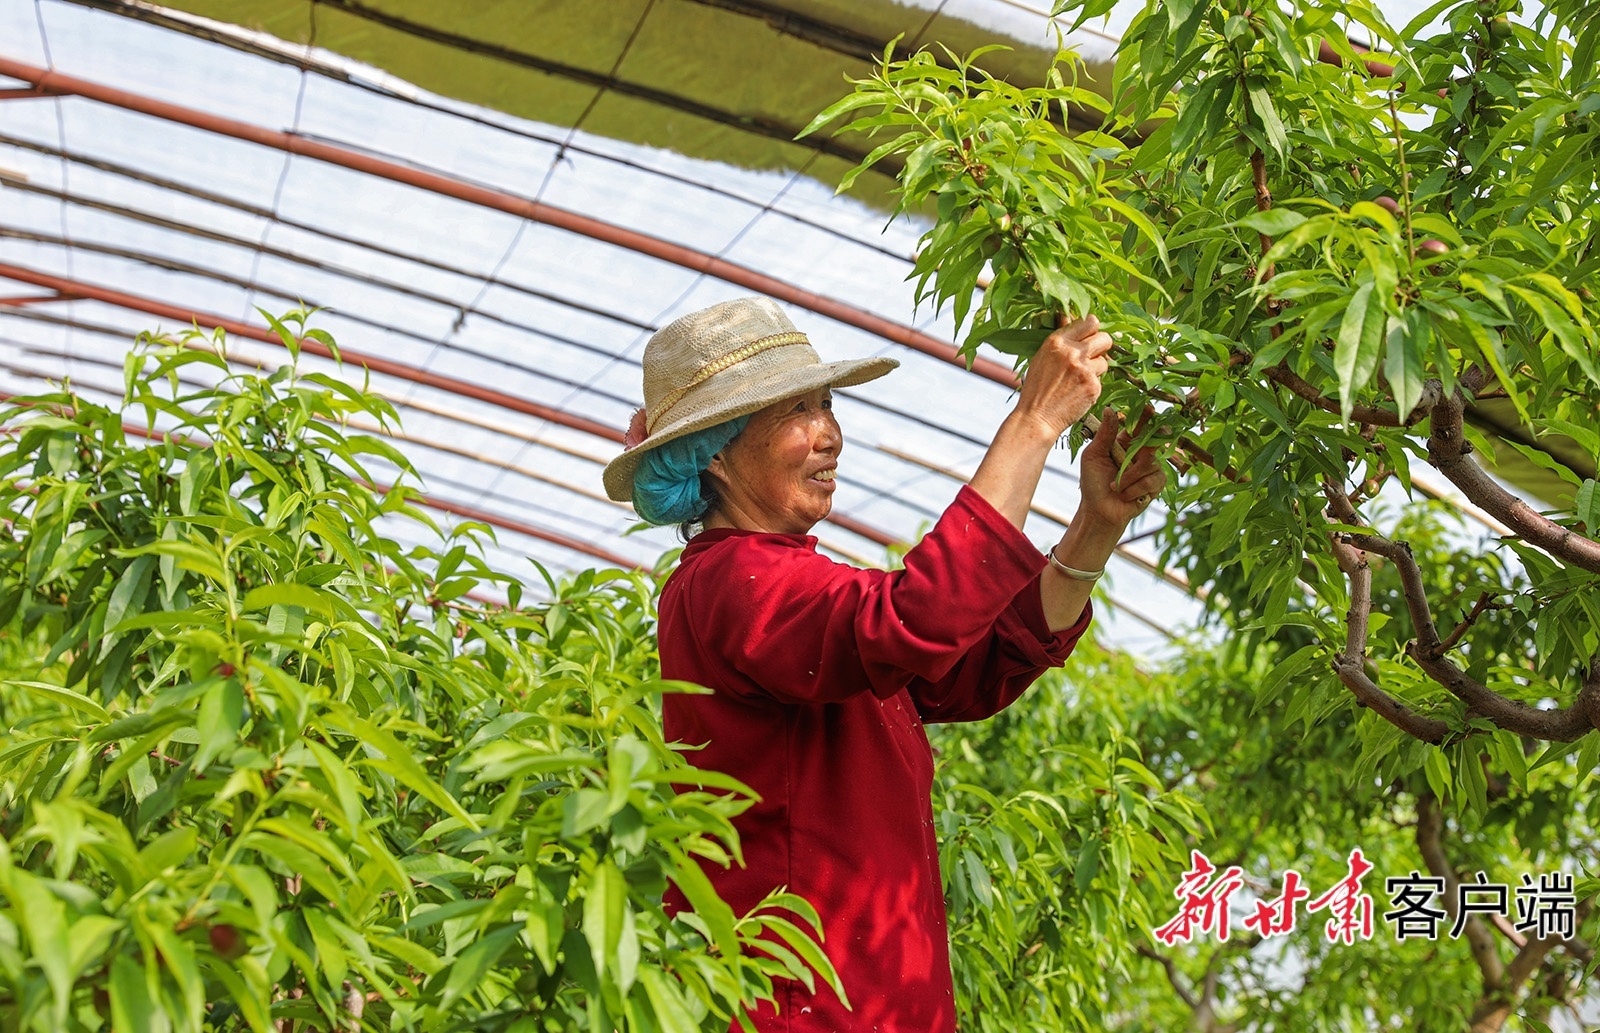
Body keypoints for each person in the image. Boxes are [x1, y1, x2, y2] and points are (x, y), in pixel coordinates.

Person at [602, 296, 1165, 1033]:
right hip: (807, 1012)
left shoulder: (780, 579)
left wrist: (1094, 526)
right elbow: (915, 617)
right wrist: (1032, 424)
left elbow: (967, 666)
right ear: (712, 448)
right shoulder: (731, 583)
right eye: (794, 411)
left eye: (825, 403)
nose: (829, 433)